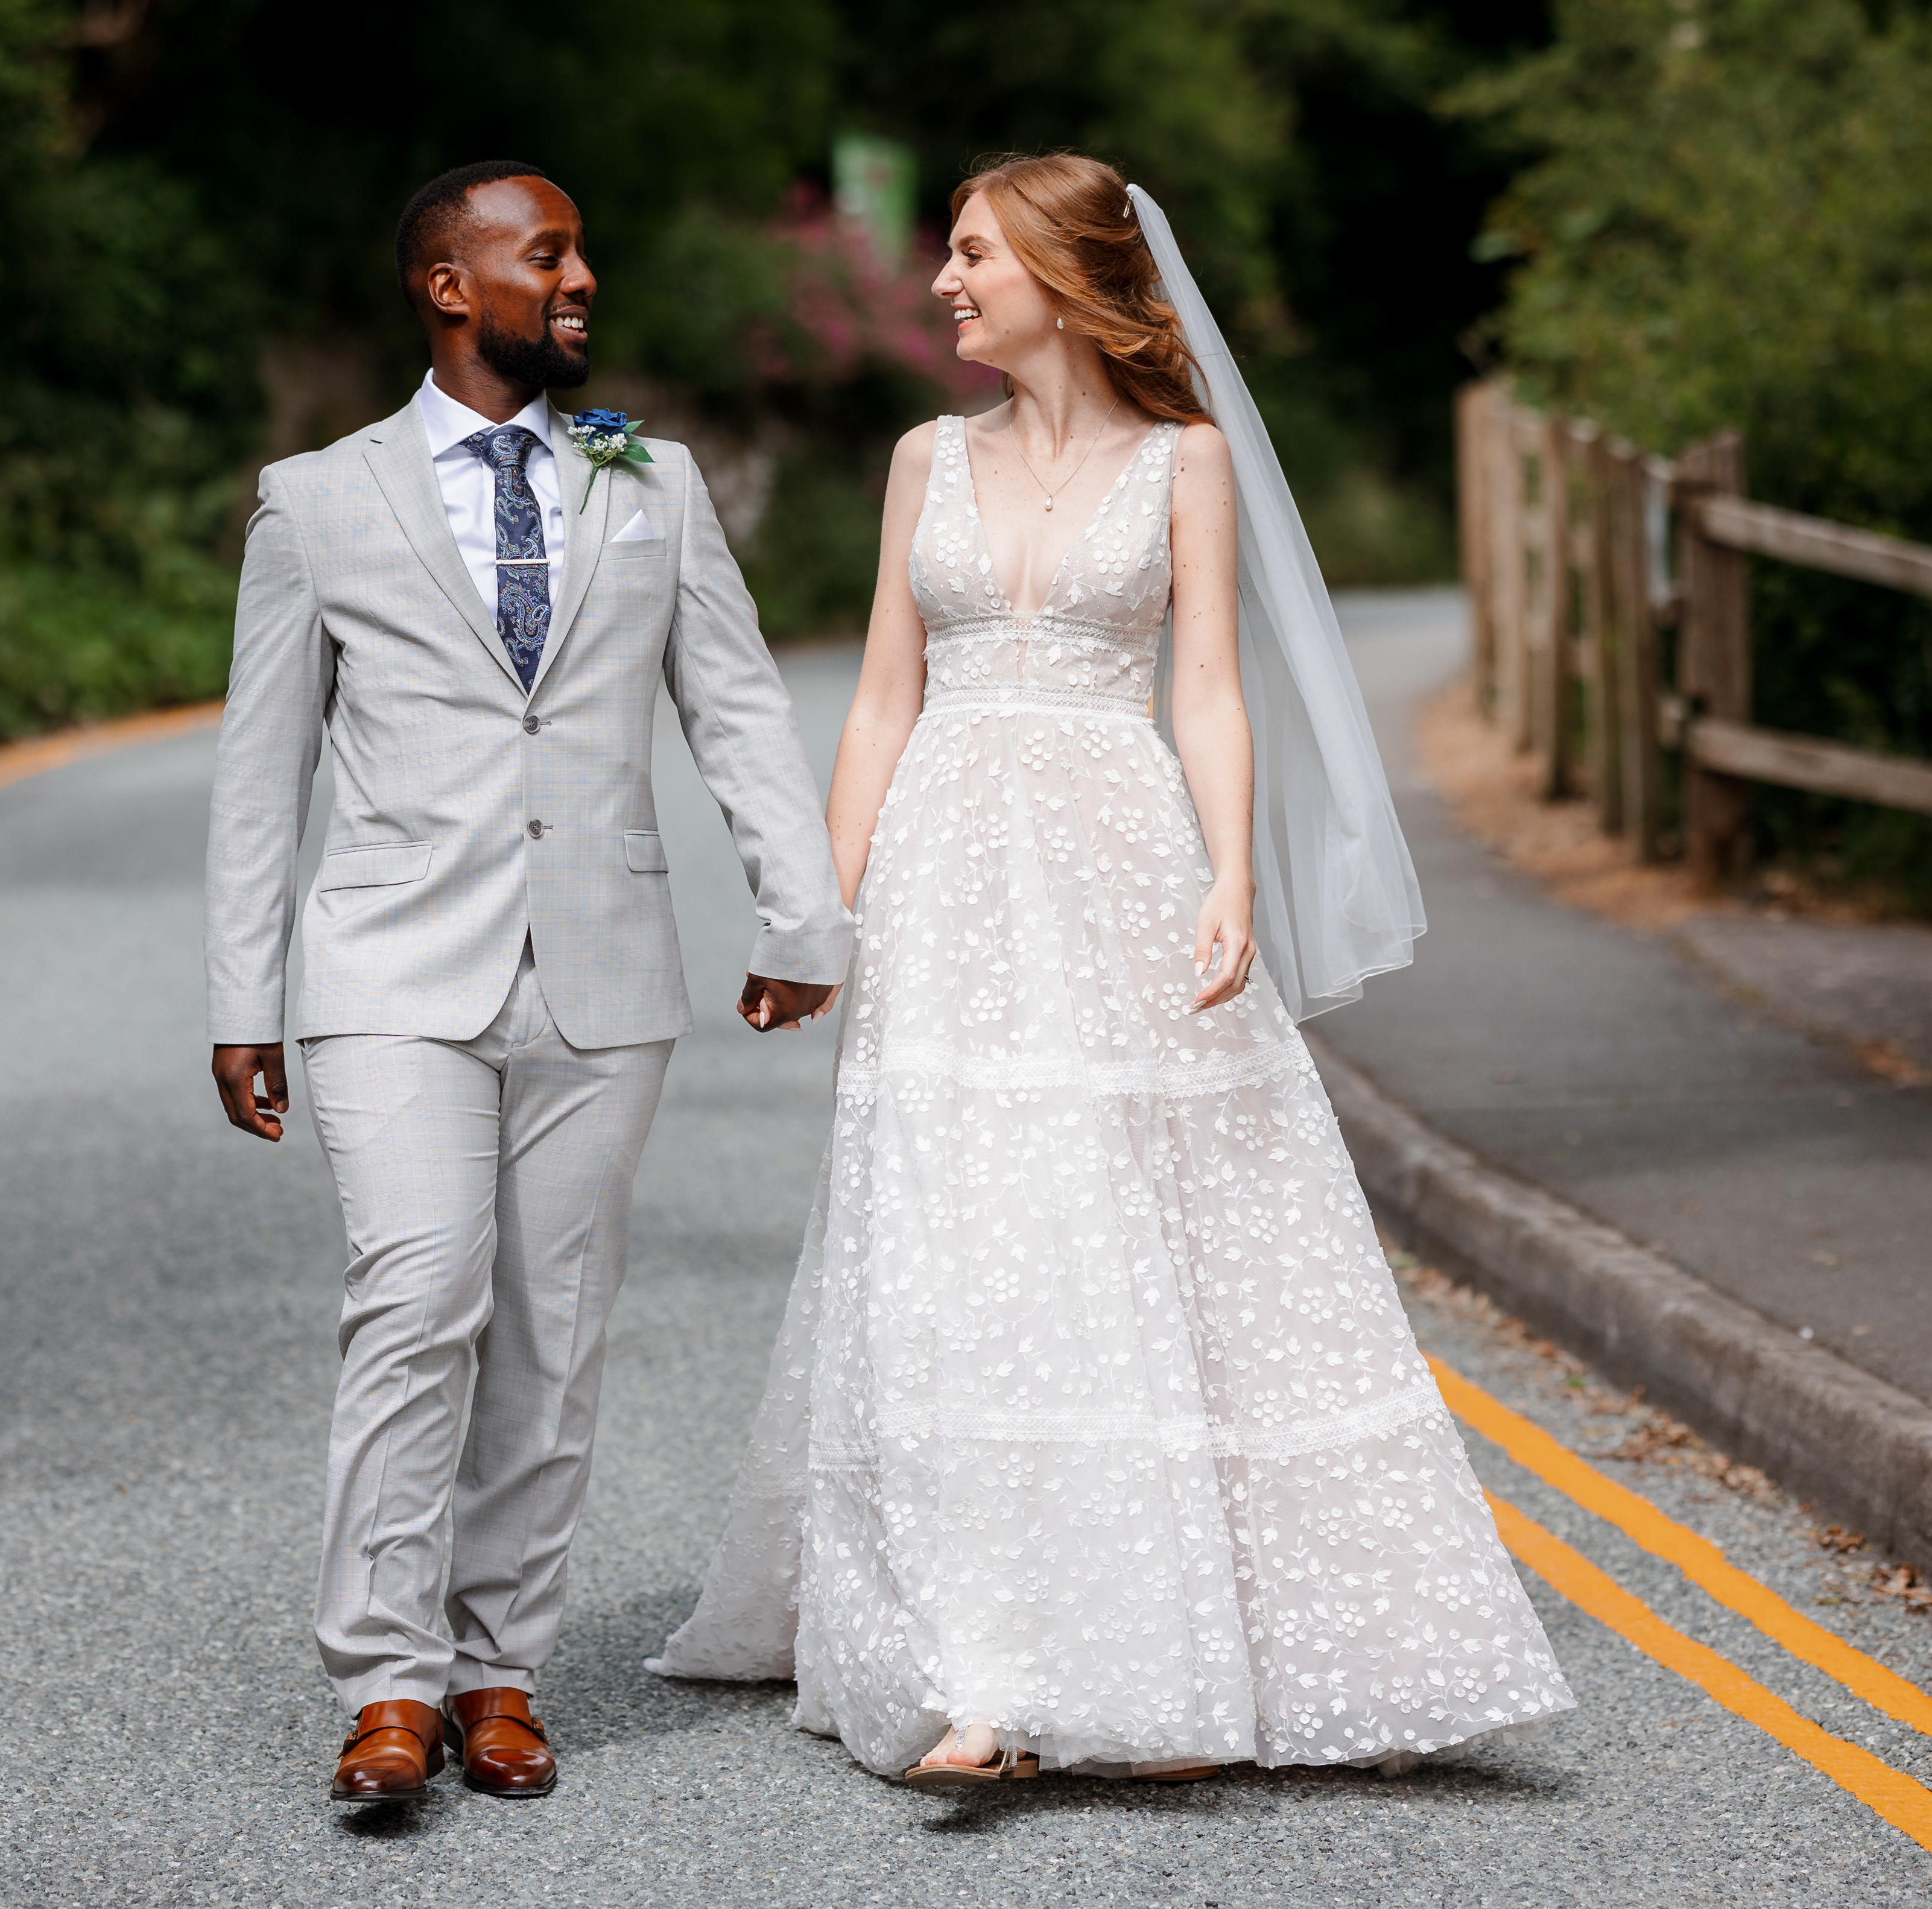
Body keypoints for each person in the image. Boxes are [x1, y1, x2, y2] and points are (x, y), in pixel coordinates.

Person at [649, 153, 1574, 1782]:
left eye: (969, 255)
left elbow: (1203, 689)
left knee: (1132, 1236)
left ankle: (1154, 1650)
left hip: (1113, 860)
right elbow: (877, 698)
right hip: (945, 875)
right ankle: (970, 1664)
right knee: (962, 1242)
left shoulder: (1186, 463)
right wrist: (813, 905)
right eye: (946, 255)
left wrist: (1226, 870)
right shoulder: (922, 456)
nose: (941, 284)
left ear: (1065, 280)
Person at [204, 160, 851, 1806]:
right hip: (387, 971)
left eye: (579, 253)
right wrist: (242, 992)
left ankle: (499, 1668)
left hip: (603, 971)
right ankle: (385, 1681)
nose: (579, 280)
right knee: (418, 1295)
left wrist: (799, 915)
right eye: (543, 254)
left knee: (553, 1333)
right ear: (447, 283)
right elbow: (259, 772)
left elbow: (736, 711)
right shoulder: (315, 501)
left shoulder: (654, 484)